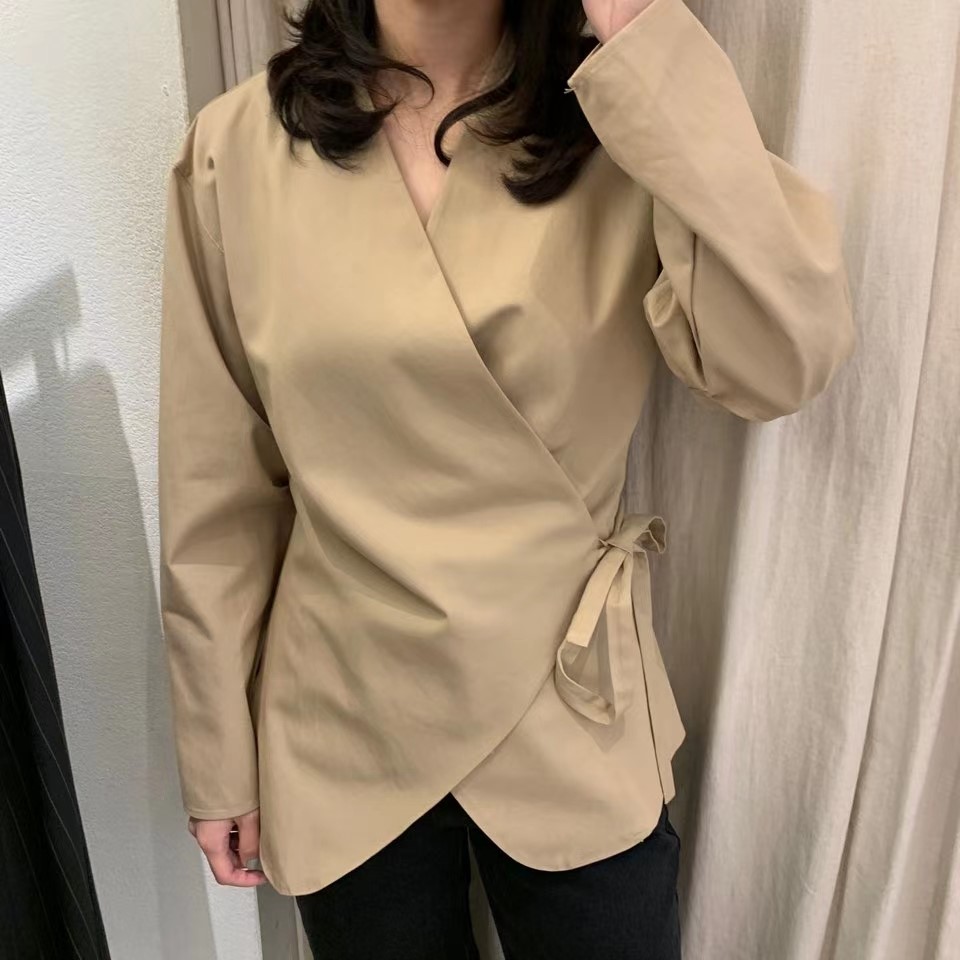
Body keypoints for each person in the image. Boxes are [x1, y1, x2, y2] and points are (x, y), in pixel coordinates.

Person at [157, 0, 855, 956]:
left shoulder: (622, 114)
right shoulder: (233, 150)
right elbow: (216, 488)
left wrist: (642, 40)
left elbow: (782, 361)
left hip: (568, 700)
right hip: (344, 711)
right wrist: (218, 755)